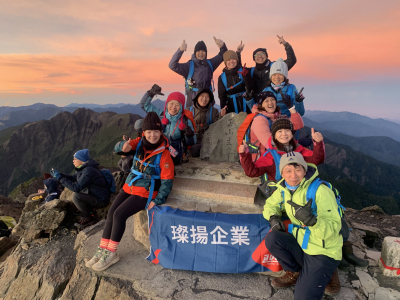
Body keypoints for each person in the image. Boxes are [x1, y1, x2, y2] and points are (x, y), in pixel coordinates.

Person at [85, 112, 174, 272]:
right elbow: (121, 147)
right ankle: (103, 249)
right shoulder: (139, 142)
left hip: (146, 191)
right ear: (143, 133)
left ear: (161, 132)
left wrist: (159, 199)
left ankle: (111, 253)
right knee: (112, 211)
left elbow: (167, 181)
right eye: (149, 132)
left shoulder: (164, 154)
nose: (153, 135)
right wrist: (122, 146)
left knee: (119, 214)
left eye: (156, 131)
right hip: (131, 186)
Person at [264, 152, 342, 299]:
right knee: (273, 238)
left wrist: (313, 221)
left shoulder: (320, 191)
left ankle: (326, 272)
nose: (293, 175)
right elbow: (269, 205)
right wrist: (273, 218)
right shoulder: (284, 189)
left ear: (305, 171)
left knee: (303, 297)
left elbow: (333, 229)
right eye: (288, 170)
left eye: (298, 169)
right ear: (282, 173)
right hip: (303, 243)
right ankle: (297, 272)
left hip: (322, 250)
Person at [239, 116, 324, 182]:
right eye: (279, 131)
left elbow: (317, 160)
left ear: (291, 133)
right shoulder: (270, 156)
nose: (284, 134)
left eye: (287, 130)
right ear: (274, 135)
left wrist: (318, 143)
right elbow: (252, 172)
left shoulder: (299, 150)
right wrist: (244, 154)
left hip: (300, 193)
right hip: (279, 195)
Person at [50, 149, 111, 226]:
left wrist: (60, 178)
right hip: (95, 195)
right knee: (78, 194)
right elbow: (73, 178)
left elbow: (76, 188)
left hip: (101, 199)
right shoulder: (83, 168)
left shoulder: (88, 171)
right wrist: (60, 175)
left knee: (76, 196)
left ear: (81, 160)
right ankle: (87, 210)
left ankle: (88, 217)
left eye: (75, 159)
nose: (73, 161)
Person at [140, 85, 196, 165]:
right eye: (171, 103)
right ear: (167, 104)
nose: (173, 107)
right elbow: (144, 105)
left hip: (175, 154)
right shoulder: (160, 115)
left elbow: (192, 142)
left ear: (181, 106)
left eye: (177, 105)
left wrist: (189, 136)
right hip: (159, 149)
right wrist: (150, 93)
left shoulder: (185, 121)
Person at [169, 37, 228, 108]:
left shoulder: (210, 64)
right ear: (195, 52)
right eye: (198, 51)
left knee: (210, 118)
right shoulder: (189, 66)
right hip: (193, 104)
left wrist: (222, 46)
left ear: (206, 53)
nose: (201, 53)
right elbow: (172, 65)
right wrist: (180, 50)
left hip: (207, 102)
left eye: (203, 51)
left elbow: (223, 55)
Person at [246, 91, 304, 161]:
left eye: (272, 100)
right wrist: (294, 145)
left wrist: (291, 107)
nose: (270, 103)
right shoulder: (259, 119)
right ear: (261, 105)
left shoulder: (278, 117)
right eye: (266, 101)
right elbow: (269, 143)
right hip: (264, 160)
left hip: (278, 155)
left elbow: (298, 125)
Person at [188, 88, 223, 157]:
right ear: (197, 97)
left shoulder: (214, 111)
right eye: (202, 96)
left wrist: (221, 116)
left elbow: (218, 126)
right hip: (193, 140)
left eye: (207, 97)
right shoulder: (189, 111)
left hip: (208, 140)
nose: (204, 99)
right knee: (195, 151)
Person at [218, 50, 255, 114]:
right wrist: (223, 109)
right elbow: (222, 96)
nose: (231, 61)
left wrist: (246, 77)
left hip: (247, 105)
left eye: (233, 59)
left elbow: (251, 89)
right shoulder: (222, 77)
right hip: (232, 108)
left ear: (237, 60)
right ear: (225, 62)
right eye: (228, 60)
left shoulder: (243, 71)